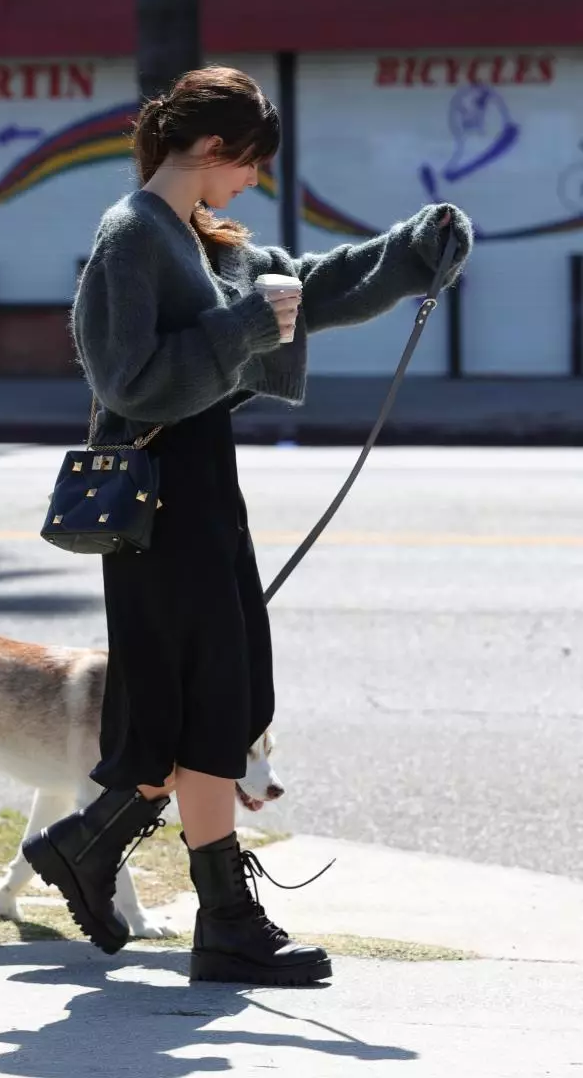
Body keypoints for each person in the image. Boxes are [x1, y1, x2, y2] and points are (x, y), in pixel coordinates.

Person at [23, 66, 473, 986]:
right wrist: (238, 327)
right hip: (157, 497)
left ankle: (108, 853)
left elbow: (304, 286)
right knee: (197, 704)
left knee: (215, 701)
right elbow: (123, 381)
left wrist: (411, 250)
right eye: (254, 164)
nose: (256, 183)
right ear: (215, 149)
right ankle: (217, 917)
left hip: (198, 488)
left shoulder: (197, 233)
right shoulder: (130, 236)